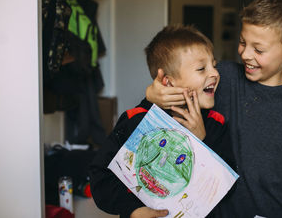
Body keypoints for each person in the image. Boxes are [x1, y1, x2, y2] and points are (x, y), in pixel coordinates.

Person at [146, 0, 282, 218]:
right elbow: (179, 84)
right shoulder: (223, 77)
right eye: (243, 42)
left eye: (258, 49)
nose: (245, 54)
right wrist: (152, 94)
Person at [89, 24, 235, 218]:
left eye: (214, 65)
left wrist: (202, 143)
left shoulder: (216, 124)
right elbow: (101, 178)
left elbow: (227, 188)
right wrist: (132, 210)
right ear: (168, 81)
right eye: (201, 68)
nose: (215, 73)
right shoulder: (136, 120)